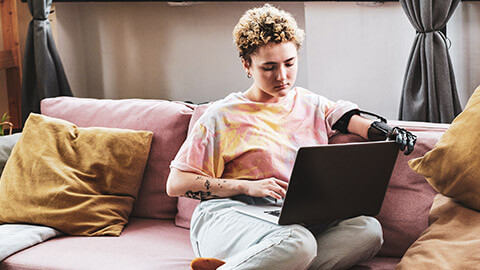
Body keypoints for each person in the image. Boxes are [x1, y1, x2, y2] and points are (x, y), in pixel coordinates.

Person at [167, 4, 416, 270]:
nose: (283, 77)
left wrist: (388, 132)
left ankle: (251, 265)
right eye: (269, 67)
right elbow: (177, 184)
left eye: (289, 63)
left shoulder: (309, 103)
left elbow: (345, 119)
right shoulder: (221, 116)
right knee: (298, 242)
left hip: (290, 217)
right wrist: (247, 186)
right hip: (228, 216)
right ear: (247, 65)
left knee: (367, 230)